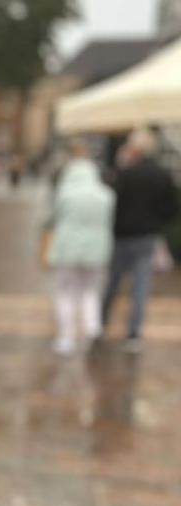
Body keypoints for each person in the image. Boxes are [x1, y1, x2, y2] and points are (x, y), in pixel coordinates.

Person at [100, 128, 179, 351]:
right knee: (141, 285)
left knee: (113, 281)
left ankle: (101, 322)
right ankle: (133, 332)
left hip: (123, 235)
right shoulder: (162, 175)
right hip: (147, 235)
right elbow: (171, 208)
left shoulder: (125, 173)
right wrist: (157, 221)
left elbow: (112, 203)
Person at [45, 143, 115, 356]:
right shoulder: (106, 195)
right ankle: (92, 327)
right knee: (90, 291)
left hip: (68, 249)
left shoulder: (65, 193)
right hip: (97, 251)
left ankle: (66, 337)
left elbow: (52, 219)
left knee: (65, 293)